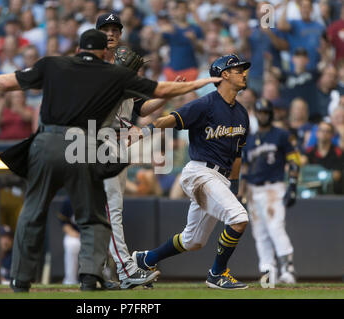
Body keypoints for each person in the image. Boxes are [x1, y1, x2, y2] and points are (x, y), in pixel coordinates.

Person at [0, 29, 221, 292]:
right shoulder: (114, 76)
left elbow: (10, 82)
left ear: (78, 49)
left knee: (35, 210)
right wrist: (200, 82)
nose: (137, 70)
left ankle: (24, 279)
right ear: (104, 53)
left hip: (52, 141)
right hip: (92, 144)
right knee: (97, 214)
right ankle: (105, 273)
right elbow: (157, 89)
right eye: (133, 66)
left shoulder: (55, 64)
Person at [132, 54, 251, 289]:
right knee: (239, 218)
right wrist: (143, 132)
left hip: (220, 178)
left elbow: (237, 155)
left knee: (193, 240)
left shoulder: (242, 113)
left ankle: (145, 260)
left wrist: (234, 187)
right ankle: (217, 274)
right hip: (199, 172)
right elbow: (172, 119)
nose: (244, 73)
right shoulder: (206, 103)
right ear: (224, 75)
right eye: (238, 70)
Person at [96, 13, 184, 289]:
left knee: (101, 213)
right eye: (105, 29)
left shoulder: (123, 69)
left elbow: (139, 108)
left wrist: (166, 95)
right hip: (97, 141)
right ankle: (126, 270)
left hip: (116, 142)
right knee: (112, 211)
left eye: (115, 29)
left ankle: (95, 273)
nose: (111, 33)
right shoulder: (91, 67)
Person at [240, 98, 301, 284]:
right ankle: (268, 270)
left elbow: (294, 159)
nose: (262, 116)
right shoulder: (249, 140)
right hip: (253, 189)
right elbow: (245, 169)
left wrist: (292, 184)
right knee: (260, 232)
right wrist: (241, 194)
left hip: (274, 187)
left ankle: (287, 267)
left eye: (265, 112)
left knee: (275, 226)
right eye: (259, 113)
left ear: (270, 114)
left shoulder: (281, 135)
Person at [303, 121, 344, 194]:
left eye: (327, 131)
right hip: (312, 190)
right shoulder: (309, 152)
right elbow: (303, 170)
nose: (324, 133)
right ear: (317, 133)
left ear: (332, 135)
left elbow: (337, 176)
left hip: (333, 191)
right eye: (321, 130)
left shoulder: (338, 152)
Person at [57, 198, 81, 285]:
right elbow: (63, 222)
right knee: (72, 244)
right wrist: (72, 233)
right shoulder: (69, 200)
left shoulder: (93, 198)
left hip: (92, 234)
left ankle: (101, 279)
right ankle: (70, 280)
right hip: (75, 234)